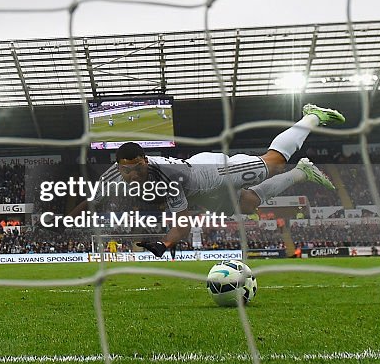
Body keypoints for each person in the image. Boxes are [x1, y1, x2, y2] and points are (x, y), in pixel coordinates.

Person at [78, 104, 344, 258]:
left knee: (273, 162)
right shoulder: (114, 175)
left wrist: (164, 244)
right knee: (249, 204)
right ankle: (302, 171)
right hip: (201, 193)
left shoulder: (169, 178)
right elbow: (94, 197)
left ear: (145, 161)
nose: (132, 175)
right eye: (126, 171)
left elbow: (181, 225)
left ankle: (311, 116)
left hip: (214, 172)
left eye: (137, 168)